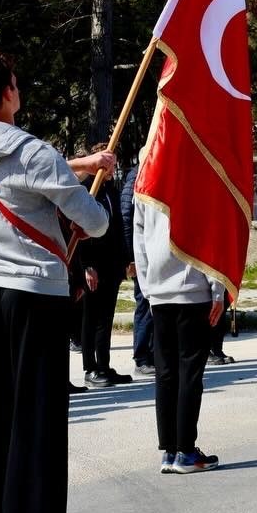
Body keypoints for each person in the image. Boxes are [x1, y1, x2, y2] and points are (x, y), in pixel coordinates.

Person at [0, 50, 115, 513]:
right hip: (36, 291)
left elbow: (17, 179)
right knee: (37, 417)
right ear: (8, 92)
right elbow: (94, 221)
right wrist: (88, 192)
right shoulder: (34, 152)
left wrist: (80, 165)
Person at [133, 165, 224, 476]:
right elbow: (210, 234)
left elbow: (139, 238)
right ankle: (184, 449)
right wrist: (217, 288)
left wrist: (147, 286)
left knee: (166, 372)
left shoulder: (145, 181)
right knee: (189, 372)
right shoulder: (195, 177)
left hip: (160, 290)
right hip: (191, 289)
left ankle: (170, 449)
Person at [73, 168, 133, 388]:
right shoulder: (88, 189)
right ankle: (90, 368)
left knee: (106, 319)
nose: (111, 170)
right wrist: (86, 266)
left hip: (112, 265)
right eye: (107, 164)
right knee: (91, 319)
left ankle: (104, 365)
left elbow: (119, 227)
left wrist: (126, 259)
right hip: (94, 266)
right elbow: (80, 231)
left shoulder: (111, 191)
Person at [121, 156, 156, 376]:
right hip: (140, 256)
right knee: (144, 305)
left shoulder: (147, 177)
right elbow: (127, 219)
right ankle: (142, 357)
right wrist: (130, 258)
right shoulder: (136, 180)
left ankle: (152, 354)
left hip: (152, 255)